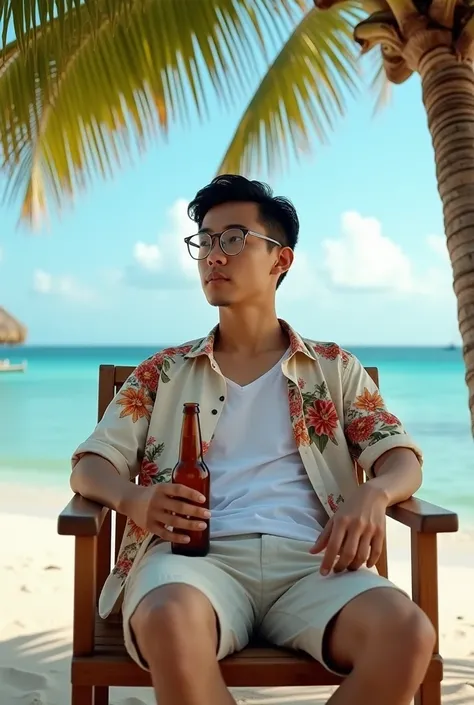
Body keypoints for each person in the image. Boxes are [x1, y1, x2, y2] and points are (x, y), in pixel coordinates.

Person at [70, 175, 435, 705]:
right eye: (205, 241)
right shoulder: (163, 372)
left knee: (408, 633)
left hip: (316, 564)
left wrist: (374, 493)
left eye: (235, 238)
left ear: (280, 261)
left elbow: (400, 456)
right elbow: (90, 465)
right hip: (192, 564)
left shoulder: (332, 367)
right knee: (171, 620)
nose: (214, 255)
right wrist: (134, 499)